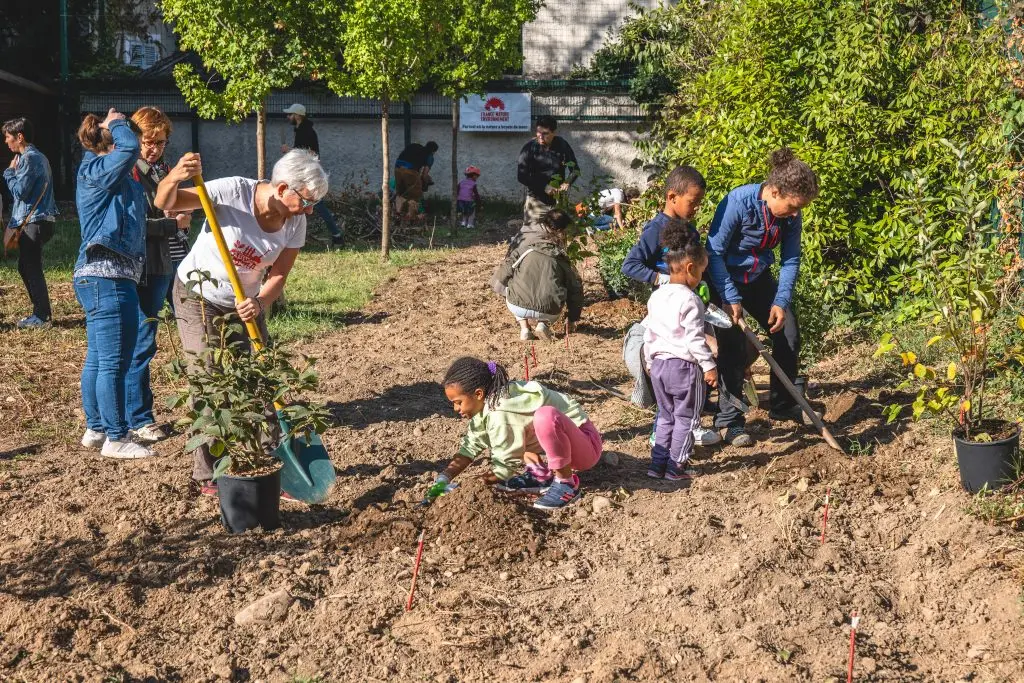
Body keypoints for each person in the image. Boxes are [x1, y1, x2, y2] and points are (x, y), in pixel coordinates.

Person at [155, 148, 328, 495]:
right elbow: (166, 202)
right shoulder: (231, 192)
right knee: (207, 377)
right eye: (306, 201)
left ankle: (271, 460)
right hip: (197, 295)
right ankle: (207, 474)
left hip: (246, 305)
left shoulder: (296, 222)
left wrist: (260, 303)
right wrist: (176, 175)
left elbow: (279, 275)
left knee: (262, 378)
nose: (310, 210)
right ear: (282, 189)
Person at [706, 147, 819, 447]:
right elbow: (714, 252)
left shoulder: (791, 217)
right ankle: (729, 421)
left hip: (757, 279)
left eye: (799, 209)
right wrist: (730, 297)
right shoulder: (737, 203)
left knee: (789, 332)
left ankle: (782, 405)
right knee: (731, 347)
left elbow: (791, 259)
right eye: (793, 206)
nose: (795, 214)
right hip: (723, 279)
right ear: (775, 191)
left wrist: (781, 301)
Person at [74, 108, 155, 459]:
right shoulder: (97, 169)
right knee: (114, 362)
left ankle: (96, 428)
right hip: (106, 275)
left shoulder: (116, 179)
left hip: (103, 275)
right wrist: (119, 122)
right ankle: (117, 436)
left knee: (98, 357)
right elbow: (127, 151)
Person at [620, 166, 720, 448]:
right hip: (669, 310)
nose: (697, 208)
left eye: (699, 202)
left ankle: (692, 421)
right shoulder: (655, 230)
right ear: (672, 196)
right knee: (681, 360)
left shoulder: (689, 230)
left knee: (697, 361)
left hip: (692, 305)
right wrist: (661, 278)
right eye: (693, 202)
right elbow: (631, 265)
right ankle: (668, 427)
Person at [433, 357, 603, 510]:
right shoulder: (488, 404)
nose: (456, 409)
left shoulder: (501, 412)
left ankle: (566, 484)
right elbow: (470, 447)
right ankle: (539, 474)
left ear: (478, 394)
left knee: (544, 417)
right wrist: (444, 478)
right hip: (566, 443)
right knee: (517, 429)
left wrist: (465, 488)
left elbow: (504, 467)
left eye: (458, 403)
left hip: (586, 447)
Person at [122, 107, 188, 444]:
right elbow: (130, 227)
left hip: (167, 261)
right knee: (142, 342)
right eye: (149, 142)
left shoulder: (161, 169)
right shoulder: (130, 172)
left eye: (160, 143)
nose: (154, 149)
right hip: (144, 266)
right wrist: (170, 224)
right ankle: (138, 418)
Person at [643, 220, 718, 480]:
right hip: (683, 368)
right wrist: (709, 366)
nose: (701, 278)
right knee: (686, 417)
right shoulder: (691, 300)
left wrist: (649, 361)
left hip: (658, 366)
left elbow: (649, 334)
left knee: (665, 416)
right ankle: (677, 466)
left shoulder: (657, 296)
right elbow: (695, 339)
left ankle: (657, 465)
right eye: (701, 272)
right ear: (689, 268)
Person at [492, 209, 582, 342]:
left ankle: (524, 329)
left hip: (518, 306)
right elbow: (576, 289)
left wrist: (503, 292)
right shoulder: (562, 259)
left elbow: (501, 276)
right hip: (550, 311)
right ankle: (543, 324)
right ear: (562, 231)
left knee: (511, 286)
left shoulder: (524, 248)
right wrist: (573, 318)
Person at [3, 117, 58, 329]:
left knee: (31, 267)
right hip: (40, 219)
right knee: (25, 267)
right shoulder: (39, 157)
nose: (6, 142)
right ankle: (40, 313)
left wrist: (9, 173)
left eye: (8, 137)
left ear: (20, 137)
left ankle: (42, 316)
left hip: (34, 221)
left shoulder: (29, 158)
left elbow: (20, 191)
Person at [281, 103, 343, 246]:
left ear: (297, 116)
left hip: (307, 176)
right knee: (308, 204)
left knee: (317, 204)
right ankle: (335, 235)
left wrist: (288, 150)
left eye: (290, 114)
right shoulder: (302, 130)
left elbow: (311, 154)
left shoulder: (306, 131)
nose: (288, 117)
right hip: (304, 174)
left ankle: (337, 236)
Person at [517, 115, 578, 226]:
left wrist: (568, 182)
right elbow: (521, 176)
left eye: (545, 133)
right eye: (538, 132)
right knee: (533, 235)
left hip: (558, 202)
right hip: (535, 202)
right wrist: (544, 186)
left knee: (559, 235)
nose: (540, 136)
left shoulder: (562, 145)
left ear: (554, 132)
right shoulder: (529, 148)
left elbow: (575, 169)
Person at [394, 140, 438, 220]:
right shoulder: (430, 156)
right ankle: (411, 218)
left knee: (400, 193)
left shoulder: (413, 146)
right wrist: (425, 182)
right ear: (433, 151)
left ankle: (398, 214)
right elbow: (424, 175)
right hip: (410, 171)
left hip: (397, 168)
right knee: (414, 196)